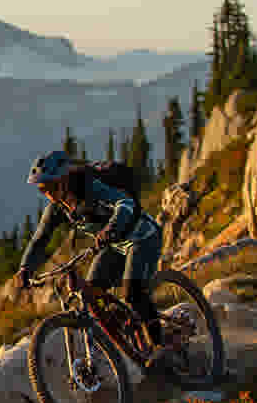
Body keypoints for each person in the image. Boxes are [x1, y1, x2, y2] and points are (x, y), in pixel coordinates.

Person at [15, 150, 166, 358]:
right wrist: (25, 268)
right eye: (42, 189)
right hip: (114, 247)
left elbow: (125, 203)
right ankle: (131, 343)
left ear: (64, 179)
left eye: (50, 186)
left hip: (142, 237)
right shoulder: (57, 209)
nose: (48, 193)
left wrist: (111, 228)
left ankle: (161, 346)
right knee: (93, 293)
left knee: (133, 294)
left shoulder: (90, 187)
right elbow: (39, 240)